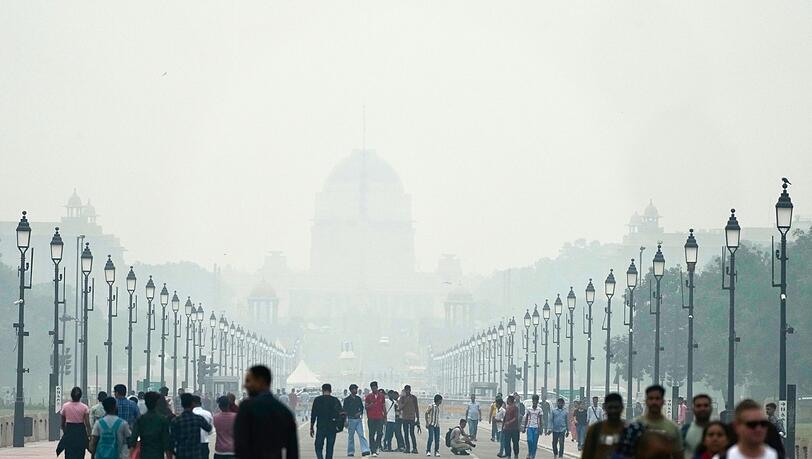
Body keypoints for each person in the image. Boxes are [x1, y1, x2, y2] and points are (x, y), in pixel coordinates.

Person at [233, 365, 298, 459]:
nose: (245, 385)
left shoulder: (247, 407)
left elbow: (240, 444)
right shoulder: (285, 412)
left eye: (248, 381)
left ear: (260, 381)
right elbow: (292, 451)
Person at [636, 385, 683, 459]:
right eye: (651, 398)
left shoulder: (672, 428)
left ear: (663, 401)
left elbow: (678, 455)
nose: (654, 402)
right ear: (646, 401)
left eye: (657, 399)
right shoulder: (636, 425)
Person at [580, 393, 626, 459]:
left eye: (616, 407)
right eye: (610, 407)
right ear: (605, 408)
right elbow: (587, 454)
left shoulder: (629, 429)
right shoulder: (594, 430)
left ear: (622, 408)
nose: (613, 411)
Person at [130, 391, 171, 459]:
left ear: (146, 403)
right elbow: (166, 442)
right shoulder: (162, 420)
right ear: (157, 403)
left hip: (144, 455)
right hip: (158, 455)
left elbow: (133, 440)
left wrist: (130, 455)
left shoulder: (141, 420)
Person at [170, 393, 212, 459]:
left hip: (181, 454)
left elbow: (172, 440)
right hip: (195, 454)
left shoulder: (176, 421)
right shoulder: (198, 419)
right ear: (192, 404)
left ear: (182, 405)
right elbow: (209, 428)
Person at [311, 383, 344, 459]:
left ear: (322, 390)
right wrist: (340, 425)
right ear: (331, 390)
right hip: (332, 427)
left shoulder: (317, 400)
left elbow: (313, 414)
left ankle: (320, 457)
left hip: (321, 427)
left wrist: (311, 427)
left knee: (318, 446)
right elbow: (341, 414)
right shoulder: (335, 400)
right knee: (330, 448)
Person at [59, 386, 91, 459]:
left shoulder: (65, 406)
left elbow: (62, 423)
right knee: (80, 454)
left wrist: (65, 433)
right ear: (80, 396)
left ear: (71, 395)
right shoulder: (84, 407)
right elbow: (87, 424)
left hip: (69, 432)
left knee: (69, 454)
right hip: (80, 433)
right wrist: (89, 435)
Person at [345, 383, 372, 457]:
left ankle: (365, 450)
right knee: (351, 436)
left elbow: (361, 408)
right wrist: (345, 420)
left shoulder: (358, 399)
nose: (355, 390)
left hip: (358, 420)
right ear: (351, 390)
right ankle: (350, 451)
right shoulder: (347, 400)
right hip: (350, 419)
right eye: (354, 389)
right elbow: (345, 411)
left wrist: (359, 413)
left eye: (356, 389)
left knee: (361, 435)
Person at [366, 381, 387, 457]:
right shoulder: (368, 397)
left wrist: (385, 417)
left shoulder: (381, 396)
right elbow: (366, 407)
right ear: (371, 388)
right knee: (371, 434)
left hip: (379, 417)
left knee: (380, 433)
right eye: (372, 388)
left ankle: (376, 446)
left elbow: (383, 407)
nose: (374, 389)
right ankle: (373, 450)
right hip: (371, 418)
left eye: (375, 388)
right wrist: (371, 405)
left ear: (377, 387)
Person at [399, 385, 421, 454]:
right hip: (405, 418)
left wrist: (418, 419)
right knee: (406, 434)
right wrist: (405, 402)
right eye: (406, 390)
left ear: (410, 390)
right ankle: (407, 448)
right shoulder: (402, 398)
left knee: (412, 433)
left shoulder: (414, 398)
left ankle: (414, 448)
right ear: (405, 390)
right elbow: (400, 408)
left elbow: (416, 408)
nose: (408, 391)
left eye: (409, 390)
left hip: (412, 418)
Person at [523, 394, 543, 459]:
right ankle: (529, 452)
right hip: (529, 427)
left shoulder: (539, 410)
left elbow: (541, 419)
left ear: (537, 401)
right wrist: (524, 427)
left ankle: (532, 455)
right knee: (529, 440)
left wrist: (541, 429)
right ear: (532, 401)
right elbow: (526, 418)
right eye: (533, 400)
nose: (534, 402)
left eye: (536, 401)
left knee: (535, 442)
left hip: (536, 427)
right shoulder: (529, 409)